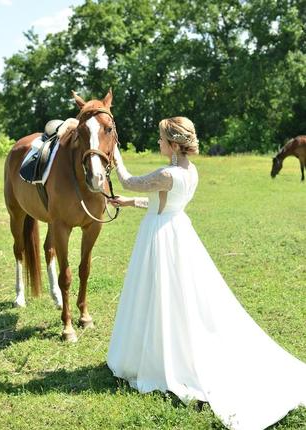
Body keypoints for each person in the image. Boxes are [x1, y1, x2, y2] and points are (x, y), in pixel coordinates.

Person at [107, 116, 306, 430]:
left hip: (160, 237)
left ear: (173, 145)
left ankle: (161, 359)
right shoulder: (189, 171)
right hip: (177, 229)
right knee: (177, 297)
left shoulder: (166, 172)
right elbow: (164, 200)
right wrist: (131, 203)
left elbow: (130, 180)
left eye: (161, 139)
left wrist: (115, 157)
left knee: (159, 296)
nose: (158, 143)